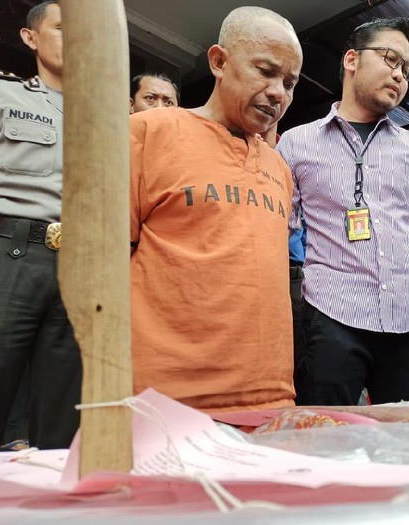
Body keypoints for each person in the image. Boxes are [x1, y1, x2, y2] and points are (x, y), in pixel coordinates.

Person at [129, 6, 302, 412]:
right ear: (219, 62)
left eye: (290, 83)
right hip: (167, 400)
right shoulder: (148, 133)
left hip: (272, 400)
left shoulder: (279, 168)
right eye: (265, 70)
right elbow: (102, 266)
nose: (279, 92)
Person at [277, 18, 409, 406]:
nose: (399, 75)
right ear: (352, 59)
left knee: (408, 440)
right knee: (326, 434)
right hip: (331, 315)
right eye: (391, 59)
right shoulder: (296, 143)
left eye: (407, 70)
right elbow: (277, 230)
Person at [0, 0, 81, 452]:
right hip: (6, 255)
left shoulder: (113, 117)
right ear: (30, 37)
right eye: (62, 28)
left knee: (65, 406)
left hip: (81, 268)